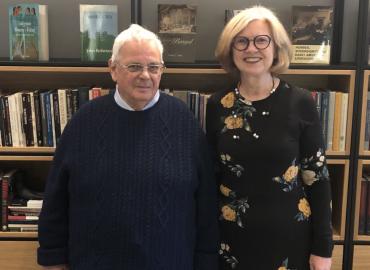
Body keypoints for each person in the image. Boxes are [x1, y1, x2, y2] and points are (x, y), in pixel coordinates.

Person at [37, 24, 219, 270]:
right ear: (113, 69)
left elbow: (206, 205)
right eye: (134, 66)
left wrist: (206, 262)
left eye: (154, 67)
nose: (145, 75)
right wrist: (52, 259)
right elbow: (55, 201)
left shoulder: (184, 122)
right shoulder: (84, 121)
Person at [206, 6, 333, 270]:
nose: (251, 49)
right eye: (241, 41)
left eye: (261, 40)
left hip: (290, 240)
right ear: (230, 50)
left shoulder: (301, 102)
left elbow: (317, 179)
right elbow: (212, 175)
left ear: (276, 48)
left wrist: (323, 249)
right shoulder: (217, 105)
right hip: (231, 240)